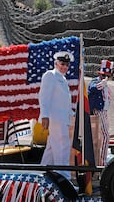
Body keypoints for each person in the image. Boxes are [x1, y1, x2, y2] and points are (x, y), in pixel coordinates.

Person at [39, 51, 74, 180]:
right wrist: (45, 116)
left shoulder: (63, 79)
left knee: (51, 150)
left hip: (62, 119)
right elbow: (44, 97)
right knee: (62, 148)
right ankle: (64, 179)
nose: (64, 67)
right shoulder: (50, 75)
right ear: (56, 63)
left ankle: (41, 174)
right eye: (62, 63)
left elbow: (63, 102)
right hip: (55, 119)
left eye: (67, 65)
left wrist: (72, 114)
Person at [88, 60, 113, 166]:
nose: (105, 77)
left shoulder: (106, 85)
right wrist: (102, 83)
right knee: (105, 136)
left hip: (104, 111)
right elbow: (93, 89)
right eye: (104, 75)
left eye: (107, 75)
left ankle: (102, 158)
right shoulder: (95, 81)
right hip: (98, 111)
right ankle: (102, 161)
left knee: (103, 137)